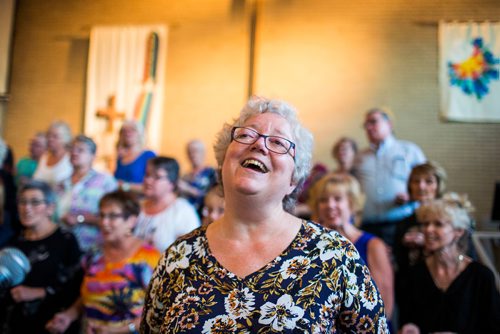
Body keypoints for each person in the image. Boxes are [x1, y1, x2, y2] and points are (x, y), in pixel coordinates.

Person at [141, 96, 387, 333]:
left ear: (294, 179)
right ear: (223, 160)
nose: (259, 144)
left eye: (279, 142)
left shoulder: (334, 255)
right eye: (246, 134)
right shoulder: (178, 259)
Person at [45, 190, 161, 334]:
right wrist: (69, 315)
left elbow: (160, 309)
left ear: (131, 220)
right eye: (102, 215)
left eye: (112, 216)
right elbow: (90, 294)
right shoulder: (94, 255)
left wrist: (119, 330)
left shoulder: (148, 257)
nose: (104, 222)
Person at [398, 193, 500, 333]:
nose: (428, 230)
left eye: (438, 224)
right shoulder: (415, 274)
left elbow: (492, 328)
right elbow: (408, 320)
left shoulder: (480, 277)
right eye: (426, 223)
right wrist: (410, 328)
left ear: (458, 231)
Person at [309, 173, 395, 326]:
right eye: (323, 200)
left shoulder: (373, 245)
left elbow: (385, 306)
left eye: (337, 199)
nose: (330, 205)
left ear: (352, 204)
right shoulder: (311, 244)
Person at [0, 180, 82, 334]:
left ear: (50, 208)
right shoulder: (14, 242)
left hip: (52, 323)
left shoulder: (65, 240)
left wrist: (39, 292)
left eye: (35, 202)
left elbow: (76, 287)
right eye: (22, 202)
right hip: (15, 324)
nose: (27, 208)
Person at [353, 107, 425, 247]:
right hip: (368, 226)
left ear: (389, 124)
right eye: (366, 125)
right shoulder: (360, 157)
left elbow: (428, 184)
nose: (368, 127)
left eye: (373, 122)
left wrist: (411, 196)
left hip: (401, 224)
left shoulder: (409, 151)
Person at [393, 161, 447, 309]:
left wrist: (429, 242)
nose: (421, 186)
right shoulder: (404, 223)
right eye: (416, 181)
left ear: (439, 186)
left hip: (445, 288)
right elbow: (400, 263)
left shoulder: (450, 220)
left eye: (428, 181)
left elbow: (465, 255)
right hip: (412, 292)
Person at [57, 135, 118, 254]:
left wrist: (81, 219)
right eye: (72, 149)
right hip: (62, 246)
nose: (74, 153)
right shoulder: (62, 183)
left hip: (92, 247)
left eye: (80, 150)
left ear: (93, 156)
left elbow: (115, 217)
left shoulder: (105, 181)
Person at [134, 157, 200, 252]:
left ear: (172, 183)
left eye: (157, 177)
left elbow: (190, 252)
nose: (148, 180)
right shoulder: (137, 206)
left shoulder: (183, 211)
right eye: (147, 175)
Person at [114, 120, 156, 193]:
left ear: (140, 133)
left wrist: (125, 186)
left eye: (132, 130)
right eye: (124, 131)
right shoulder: (120, 157)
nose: (128, 133)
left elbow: (153, 186)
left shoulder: (148, 155)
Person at [178, 139, 217, 215]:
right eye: (189, 152)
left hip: (203, 215)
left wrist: (188, 189)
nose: (192, 155)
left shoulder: (211, 173)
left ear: (203, 153)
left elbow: (212, 197)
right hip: (186, 215)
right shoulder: (185, 176)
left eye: (195, 151)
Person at [33, 121, 73, 188]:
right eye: (48, 135)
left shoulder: (70, 158)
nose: (50, 139)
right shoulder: (44, 158)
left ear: (65, 139)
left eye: (55, 136)